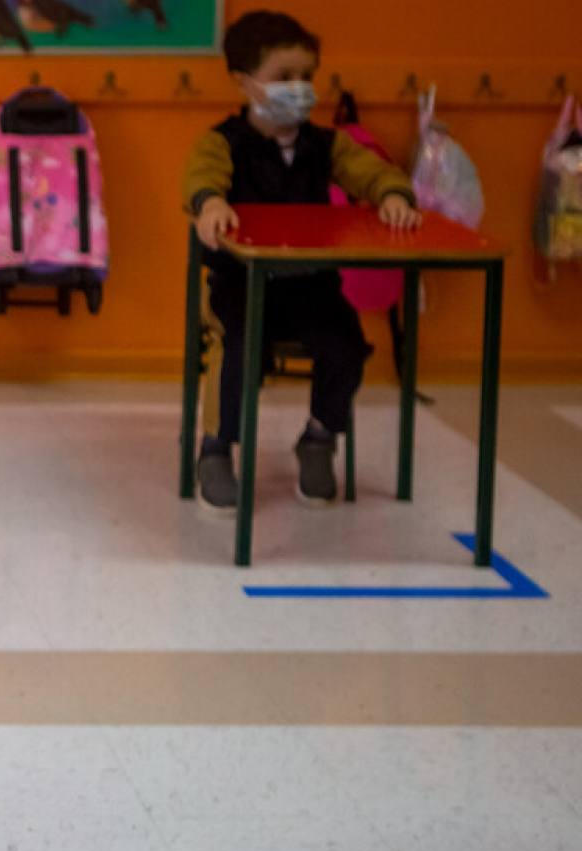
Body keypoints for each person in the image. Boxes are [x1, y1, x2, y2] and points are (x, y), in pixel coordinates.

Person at [183, 9, 419, 510]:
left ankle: (318, 437)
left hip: (310, 286)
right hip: (241, 285)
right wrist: (211, 202)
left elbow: (374, 173)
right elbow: (202, 178)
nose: (299, 87)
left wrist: (393, 194)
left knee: (346, 346)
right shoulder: (224, 142)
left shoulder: (326, 145)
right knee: (235, 351)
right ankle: (216, 449)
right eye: (283, 78)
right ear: (246, 83)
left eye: (306, 77)